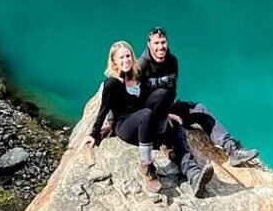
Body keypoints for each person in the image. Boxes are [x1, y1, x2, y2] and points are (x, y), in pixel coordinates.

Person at [84, 40, 214, 196]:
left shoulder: (138, 77)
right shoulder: (111, 84)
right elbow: (103, 110)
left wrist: (166, 115)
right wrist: (94, 133)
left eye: (128, 56)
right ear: (114, 62)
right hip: (126, 126)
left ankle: (193, 175)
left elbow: (150, 102)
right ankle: (146, 167)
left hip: (146, 123)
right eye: (121, 58)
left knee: (172, 120)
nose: (126, 60)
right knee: (146, 115)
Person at [138, 27, 259, 167]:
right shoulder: (142, 65)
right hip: (150, 116)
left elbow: (171, 90)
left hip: (168, 108)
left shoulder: (172, 61)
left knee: (200, 109)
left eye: (163, 42)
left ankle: (232, 149)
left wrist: (169, 111)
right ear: (149, 44)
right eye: (156, 43)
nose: (160, 47)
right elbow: (136, 100)